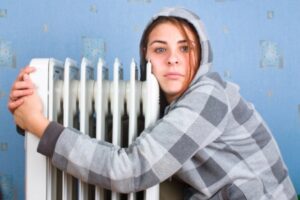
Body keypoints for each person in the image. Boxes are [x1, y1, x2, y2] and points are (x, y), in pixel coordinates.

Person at [8, 7, 297, 200]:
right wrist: (32, 113)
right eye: (161, 49)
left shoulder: (208, 97)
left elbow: (131, 170)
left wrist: (40, 126)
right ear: (146, 56)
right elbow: (98, 134)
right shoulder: (161, 104)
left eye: (185, 48)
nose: (172, 58)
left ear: (203, 54)